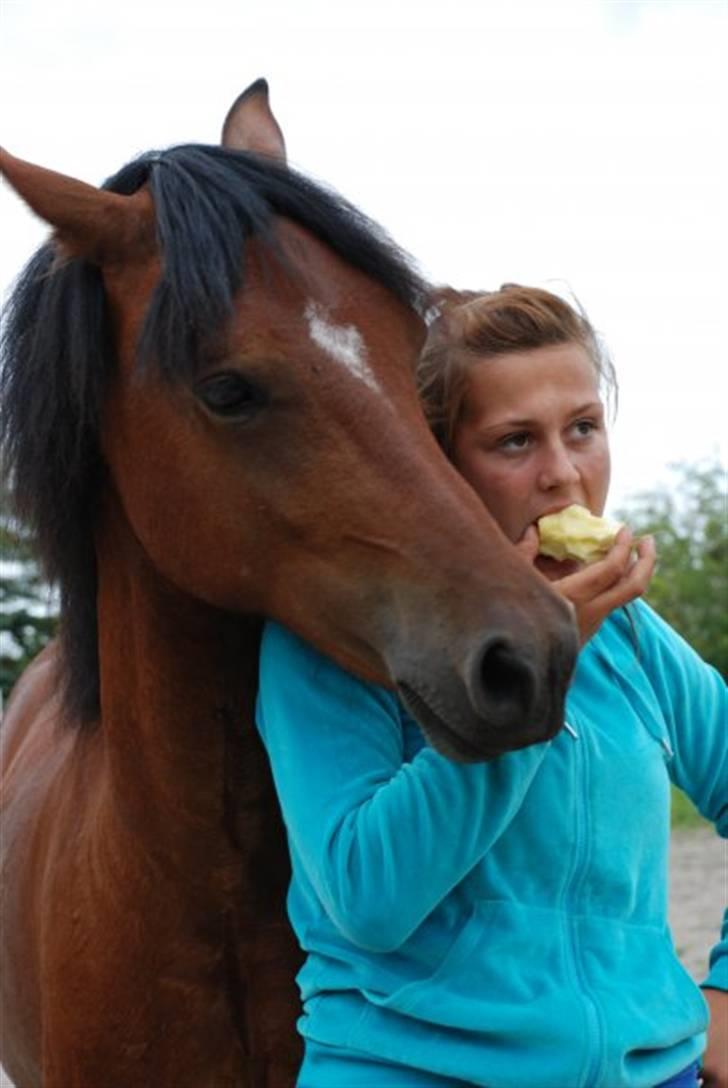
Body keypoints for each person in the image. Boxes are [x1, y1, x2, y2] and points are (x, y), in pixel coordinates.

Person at [255, 284, 727, 1088]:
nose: (564, 476)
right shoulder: (332, 642)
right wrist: (530, 671)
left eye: (582, 428)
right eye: (515, 442)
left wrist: (721, 991)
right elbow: (369, 900)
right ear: (439, 466)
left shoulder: (634, 636)